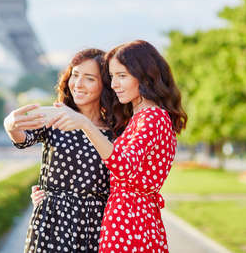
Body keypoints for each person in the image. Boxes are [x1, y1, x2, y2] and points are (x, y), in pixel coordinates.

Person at [45, 40, 187, 252]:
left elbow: (123, 166)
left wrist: (85, 124)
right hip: (129, 218)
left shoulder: (152, 117)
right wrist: (51, 193)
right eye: (112, 77)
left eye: (122, 76)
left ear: (144, 76)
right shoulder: (140, 118)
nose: (113, 85)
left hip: (131, 222)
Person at [3, 48, 128, 253]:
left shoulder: (117, 131)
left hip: (96, 225)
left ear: (104, 85)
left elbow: (124, 175)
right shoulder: (55, 117)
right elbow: (23, 139)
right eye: (75, 75)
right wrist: (10, 125)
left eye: (89, 78)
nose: (78, 84)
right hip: (52, 223)